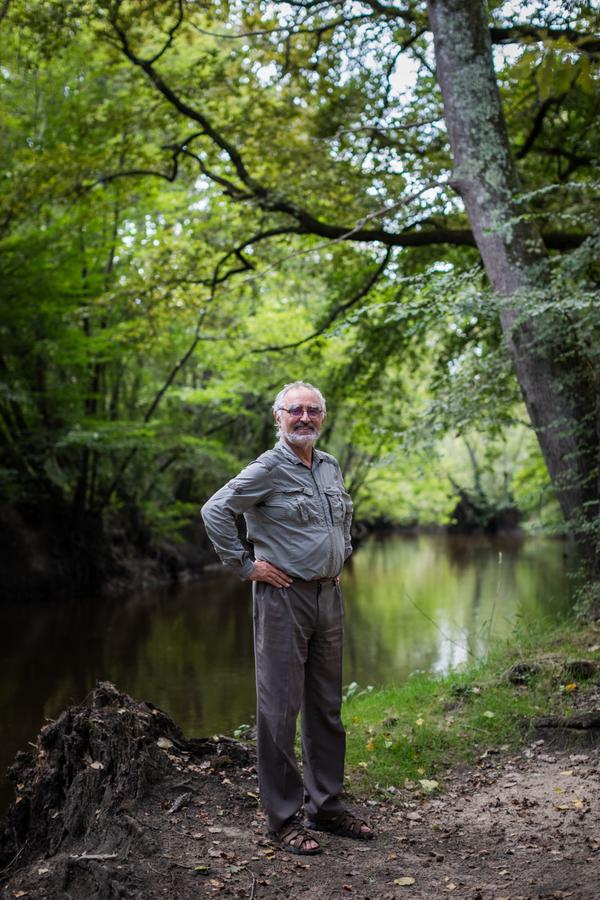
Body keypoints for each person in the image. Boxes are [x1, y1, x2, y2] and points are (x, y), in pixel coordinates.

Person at [201, 381, 374, 855]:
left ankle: (327, 808)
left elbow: (340, 522)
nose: (304, 417)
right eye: (294, 410)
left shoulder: (329, 465)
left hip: (327, 597)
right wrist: (246, 565)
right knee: (279, 712)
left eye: (312, 410)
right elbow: (215, 510)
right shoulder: (267, 468)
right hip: (282, 599)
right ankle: (282, 819)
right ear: (278, 417)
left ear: (323, 416)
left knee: (326, 707)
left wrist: (340, 560)